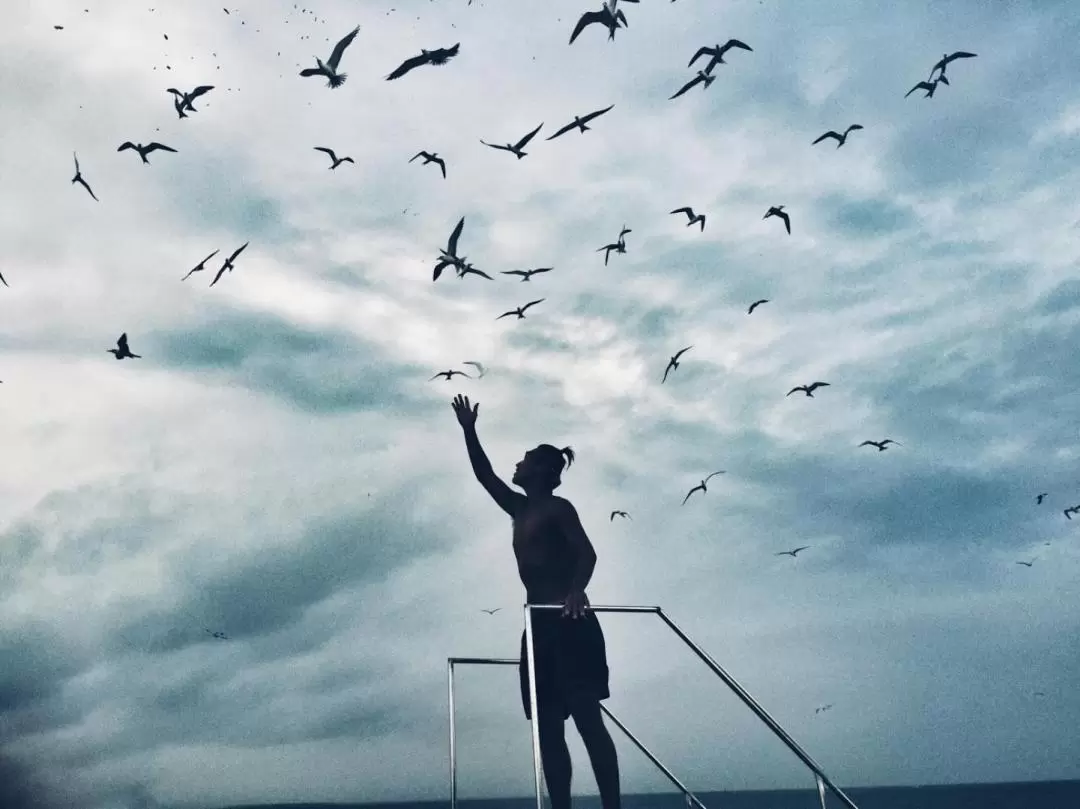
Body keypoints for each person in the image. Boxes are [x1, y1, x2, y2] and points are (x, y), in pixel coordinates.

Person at [451, 394, 621, 809]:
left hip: (570, 623)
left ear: (544, 470)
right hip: (538, 631)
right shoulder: (519, 508)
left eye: (525, 459)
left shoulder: (559, 509)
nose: (517, 464)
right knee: (547, 730)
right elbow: (485, 475)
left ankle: (613, 807)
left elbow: (588, 553)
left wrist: (578, 589)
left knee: (587, 720)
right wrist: (469, 431)